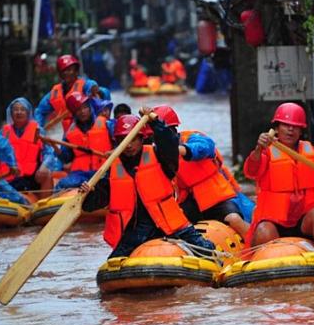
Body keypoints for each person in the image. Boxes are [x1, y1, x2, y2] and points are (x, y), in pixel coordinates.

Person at [79, 109, 215, 258]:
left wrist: (155, 121)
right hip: (136, 229)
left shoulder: (160, 156)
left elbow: (168, 144)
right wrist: (88, 193)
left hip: (169, 222)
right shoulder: (112, 168)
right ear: (117, 142)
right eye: (123, 140)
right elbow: (91, 205)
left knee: (207, 251)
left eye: (133, 139)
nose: (129, 145)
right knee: (112, 264)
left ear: (141, 138)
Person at [243, 102, 314, 254]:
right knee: (264, 229)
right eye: (285, 125)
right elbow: (251, 171)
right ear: (276, 129)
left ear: (301, 131)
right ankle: (269, 256)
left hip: (302, 222)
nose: (290, 129)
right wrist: (258, 149)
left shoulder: (313, 153)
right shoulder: (266, 152)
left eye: (295, 126)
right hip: (274, 222)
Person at [153, 105, 250, 238]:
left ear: (173, 130)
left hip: (217, 198)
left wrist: (180, 150)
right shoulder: (154, 153)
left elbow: (206, 147)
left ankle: (256, 245)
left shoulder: (192, 138)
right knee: (169, 227)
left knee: (234, 219)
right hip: (190, 202)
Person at [53, 91, 114, 191]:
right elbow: (66, 159)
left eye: (85, 107)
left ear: (90, 107)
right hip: (80, 174)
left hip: (103, 171)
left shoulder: (107, 124)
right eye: (78, 109)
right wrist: (56, 148)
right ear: (74, 113)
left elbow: (121, 143)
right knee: (61, 185)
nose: (83, 112)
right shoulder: (70, 133)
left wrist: (113, 151)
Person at [1, 97, 61, 193]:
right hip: (11, 177)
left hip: (32, 176)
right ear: (11, 114)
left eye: (22, 109)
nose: (19, 112)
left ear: (28, 113)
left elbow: (49, 152)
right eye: (15, 109)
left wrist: (44, 166)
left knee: (47, 175)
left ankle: (43, 204)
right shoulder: (4, 132)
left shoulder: (38, 131)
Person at [34, 54, 100, 133]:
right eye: (63, 70)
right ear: (60, 74)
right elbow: (40, 111)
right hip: (70, 135)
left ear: (76, 71)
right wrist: (38, 127)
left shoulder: (85, 85)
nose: (66, 73)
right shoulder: (55, 92)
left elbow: (92, 85)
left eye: (69, 70)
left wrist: (94, 88)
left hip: (89, 130)